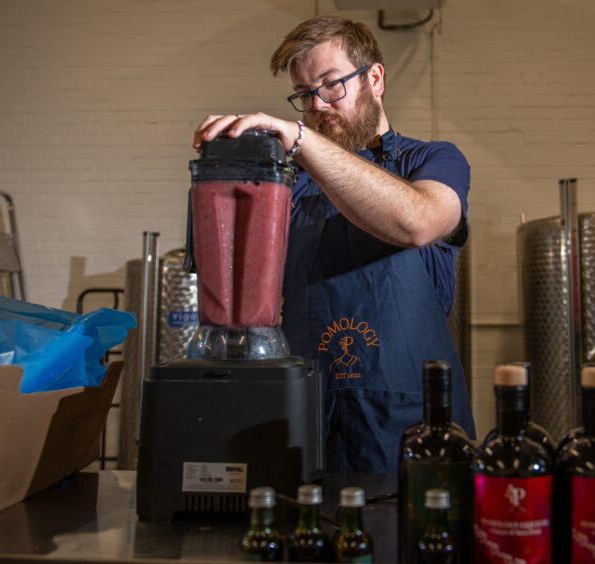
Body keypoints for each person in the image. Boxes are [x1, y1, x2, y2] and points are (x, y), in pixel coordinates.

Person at [193, 15, 475, 473]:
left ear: (375, 78)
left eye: (331, 85)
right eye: (305, 95)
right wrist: (230, 174)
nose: (318, 105)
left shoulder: (434, 161)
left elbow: (418, 221)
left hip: (411, 429)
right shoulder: (291, 185)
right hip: (307, 417)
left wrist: (299, 140)